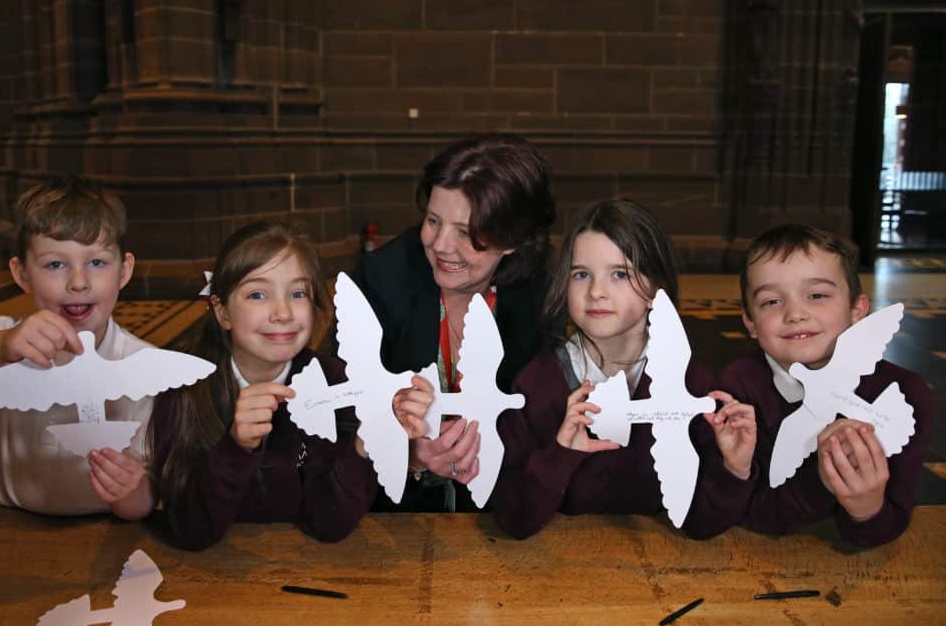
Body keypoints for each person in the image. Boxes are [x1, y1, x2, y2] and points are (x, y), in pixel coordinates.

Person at [491, 199, 756, 539]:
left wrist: (734, 469)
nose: (596, 292)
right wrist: (560, 455)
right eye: (581, 274)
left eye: (619, 274)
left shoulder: (694, 386)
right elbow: (511, 518)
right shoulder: (537, 383)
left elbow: (702, 525)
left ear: (654, 289)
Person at [0, 177, 153, 519]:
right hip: (2, 526)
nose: (78, 282)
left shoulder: (144, 368)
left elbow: (146, 500)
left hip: (103, 535)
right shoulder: (0, 340)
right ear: (22, 273)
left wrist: (132, 493)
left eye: (97, 262)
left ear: (125, 270)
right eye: (55, 264)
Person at [355, 133, 556, 512]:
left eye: (465, 232)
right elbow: (341, 414)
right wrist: (409, 454)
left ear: (512, 238)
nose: (441, 244)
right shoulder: (383, 279)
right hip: (397, 512)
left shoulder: (542, 293)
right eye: (433, 220)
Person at [147, 222, 378, 550]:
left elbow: (329, 524)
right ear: (222, 311)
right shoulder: (185, 386)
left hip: (304, 568)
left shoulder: (335, 382)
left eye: (298, 293)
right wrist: (236, 447)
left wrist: (365, 445)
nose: (283, 313)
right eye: (258, 294)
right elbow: (190, 530)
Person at [721, 224, 933, 547]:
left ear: (857, 310)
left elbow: (889, 525)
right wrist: (820, 480)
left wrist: (867, 508)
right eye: (771, 302)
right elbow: (748, 511)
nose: (795, 313)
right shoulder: (739, 388)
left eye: (817, 295)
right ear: (750, 322)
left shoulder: (906, 395)